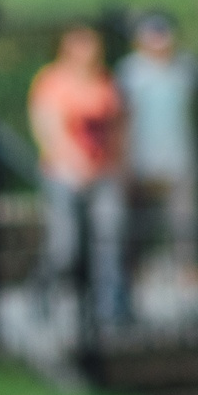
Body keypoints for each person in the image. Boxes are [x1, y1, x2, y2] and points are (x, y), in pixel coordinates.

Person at [29, 25, 127, 323]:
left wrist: (117, 164)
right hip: (64, 174)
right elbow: (48, 129)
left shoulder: (105, 81)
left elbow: (118, 125)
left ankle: (110, 308)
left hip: (104, 173)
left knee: (109, 238)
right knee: (65, 244)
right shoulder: (52, 82)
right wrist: (75, 162)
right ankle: (41, 294)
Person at [116, 11, 198, 278]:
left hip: (179, 157)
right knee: (139, 221)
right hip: (141, 159)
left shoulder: (185, 68)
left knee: (184, 221)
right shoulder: (130, 72)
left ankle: (188, 269)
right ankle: (134, 270)